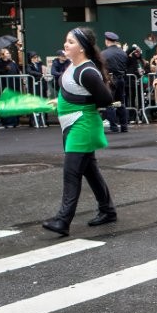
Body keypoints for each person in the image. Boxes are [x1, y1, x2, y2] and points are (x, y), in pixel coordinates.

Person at [42, 27, 117, 236]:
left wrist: (77, 104)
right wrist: (61, 100)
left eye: (71, 42)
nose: (66, 45)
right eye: (66, 41)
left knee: (72, 172)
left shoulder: (87, 70)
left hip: (82, 126)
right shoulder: (74, 67)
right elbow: (76, 90)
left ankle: (63, 220)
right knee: (90, 171)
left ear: (82, 48)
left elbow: (106, 99)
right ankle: (108, 210)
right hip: (75, 125)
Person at [101, 31, 131, 133]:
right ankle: (124, 126)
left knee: (110, 103)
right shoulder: (122, 53)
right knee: (120, 103)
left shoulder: (104, 53)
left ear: (106, 41)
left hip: (110, 79)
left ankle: (113, 126)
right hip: (121, 79)